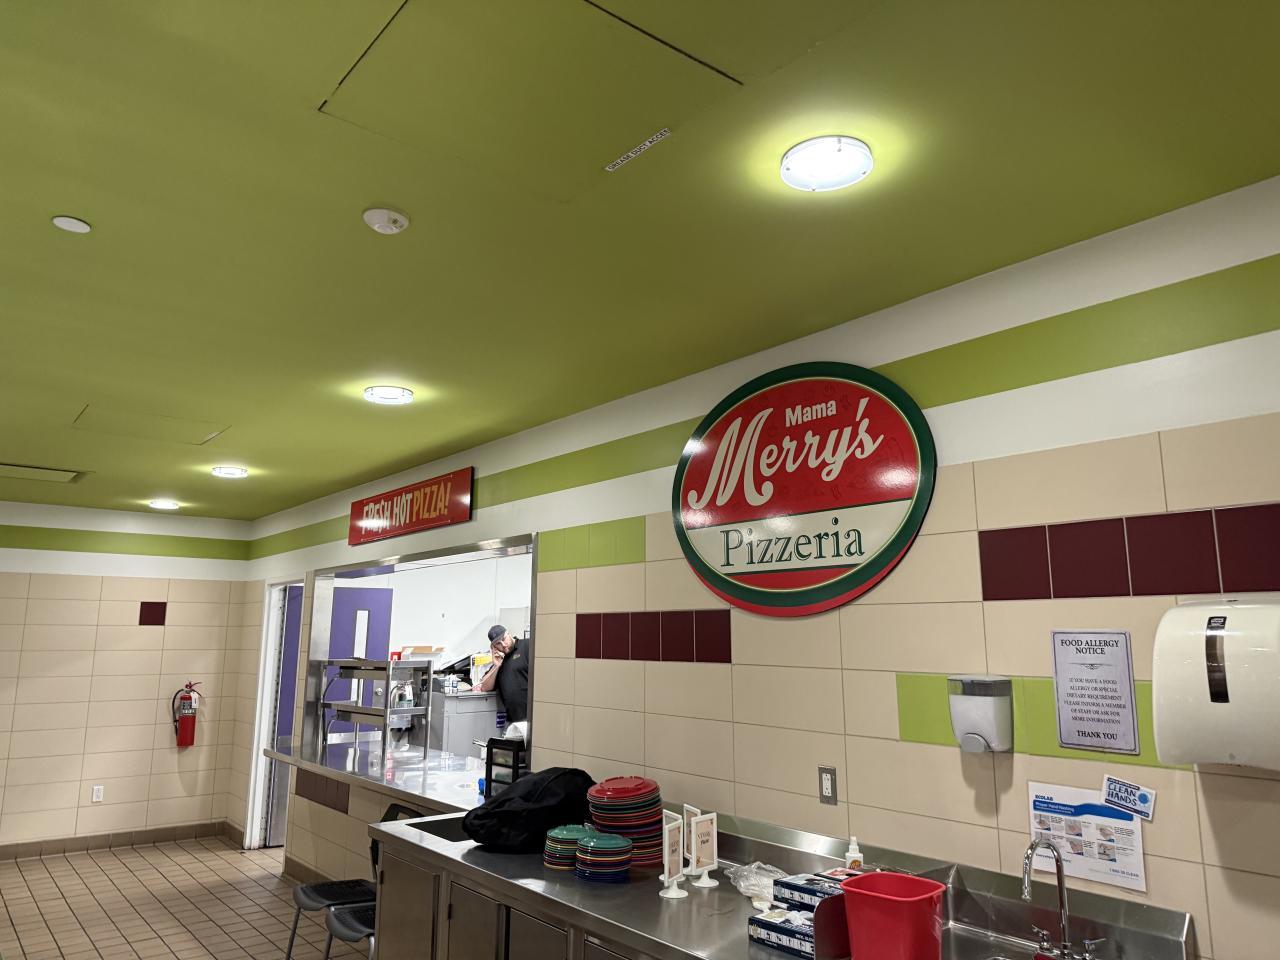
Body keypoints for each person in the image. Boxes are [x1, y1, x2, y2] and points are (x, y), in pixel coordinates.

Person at [474, 624, 528, 725]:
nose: (503, 644)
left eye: (504, 639)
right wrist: (496, 666)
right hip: (513, 721)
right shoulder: (499, 662)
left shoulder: (527, 646)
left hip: (532, 717)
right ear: (494, 647)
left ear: (509, 633)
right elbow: (485, 687)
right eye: (498, 643)